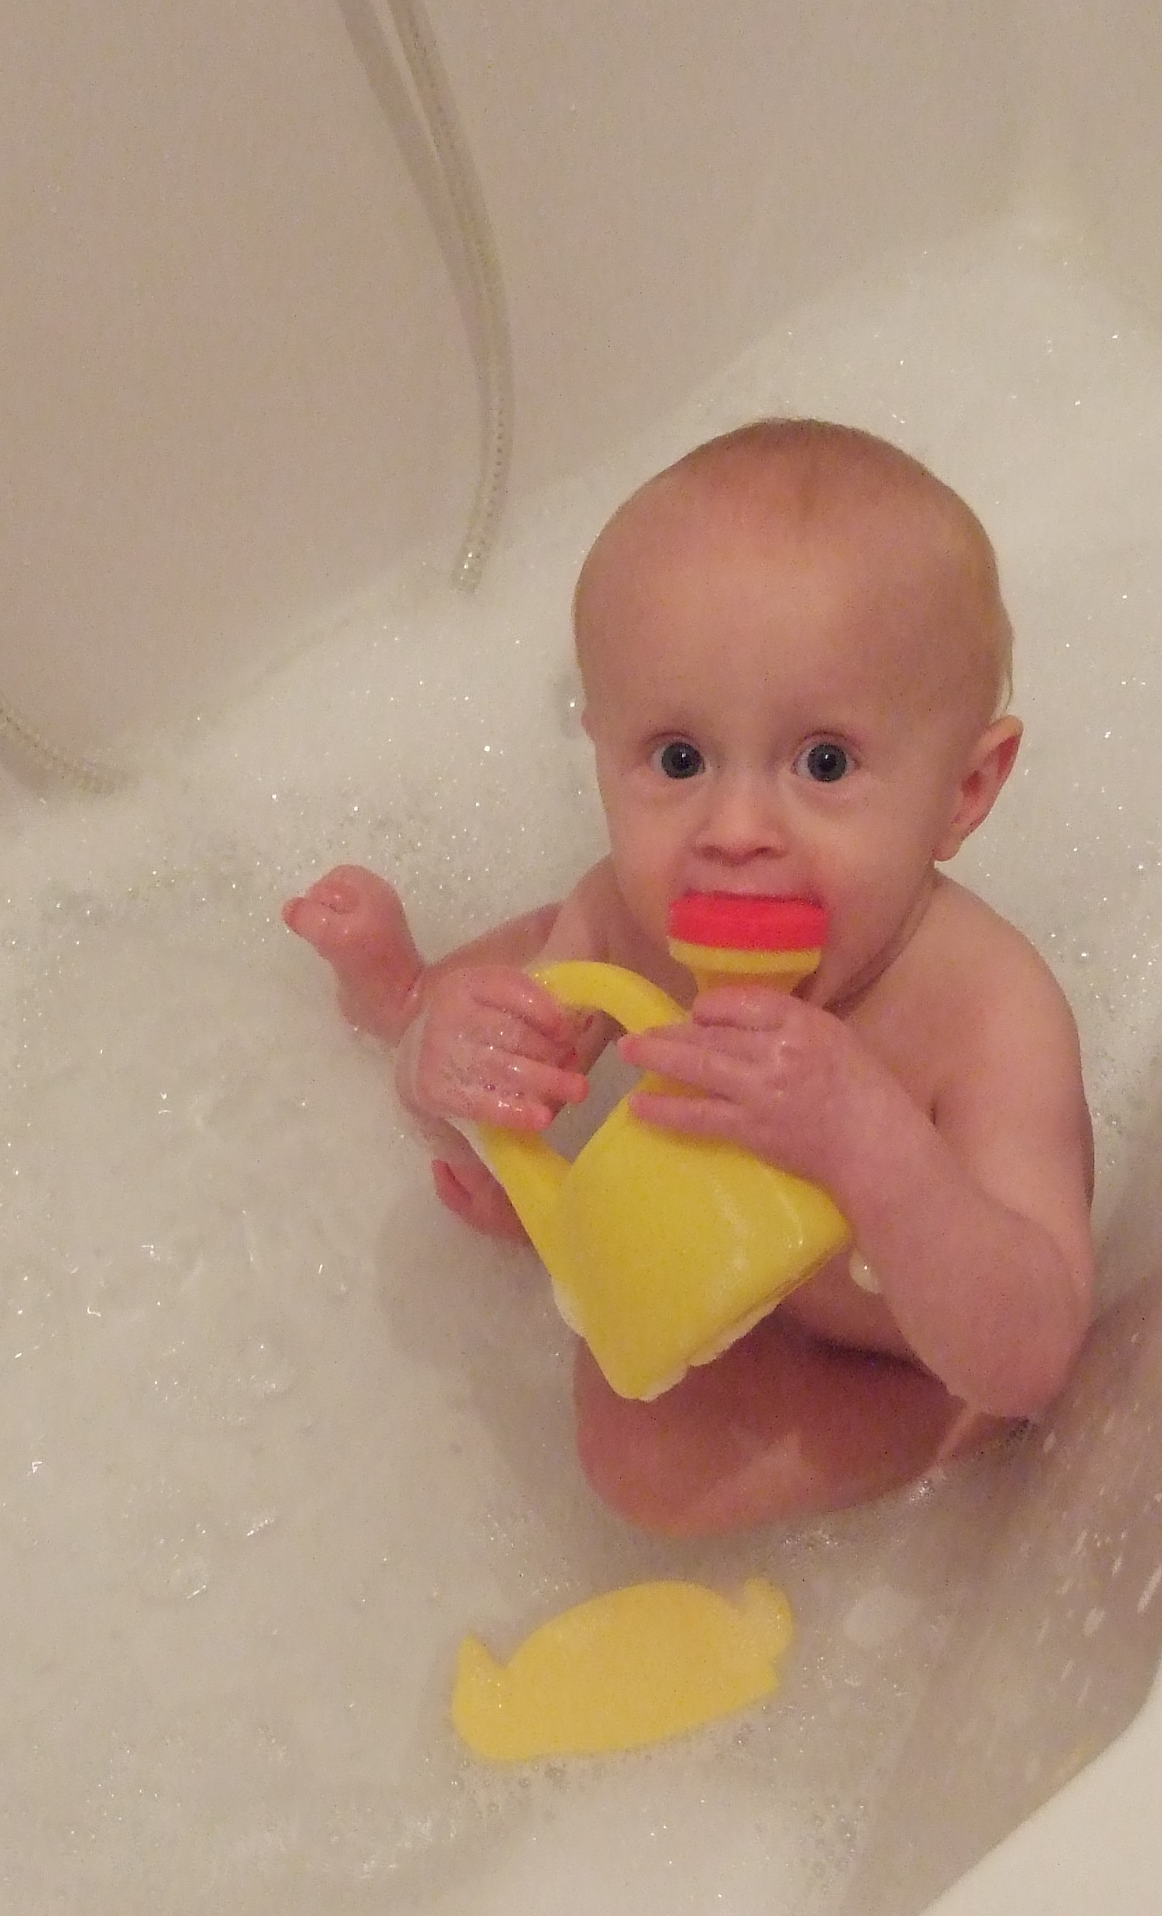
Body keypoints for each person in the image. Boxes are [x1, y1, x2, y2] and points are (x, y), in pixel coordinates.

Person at [286, 419, 1093, 1535]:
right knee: (523, 982)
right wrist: (449, 1073)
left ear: (964, 791)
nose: (735, 829)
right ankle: (409, 1002)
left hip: (910, 1355)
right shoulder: (632, 920)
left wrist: (869, 1145)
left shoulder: (989, 1014)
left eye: (824, 763)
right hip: (710, 1283)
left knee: (651, 1467)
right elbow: (495, 1125)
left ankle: (964, 1436)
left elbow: (1041, 1341)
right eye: (678, 759)